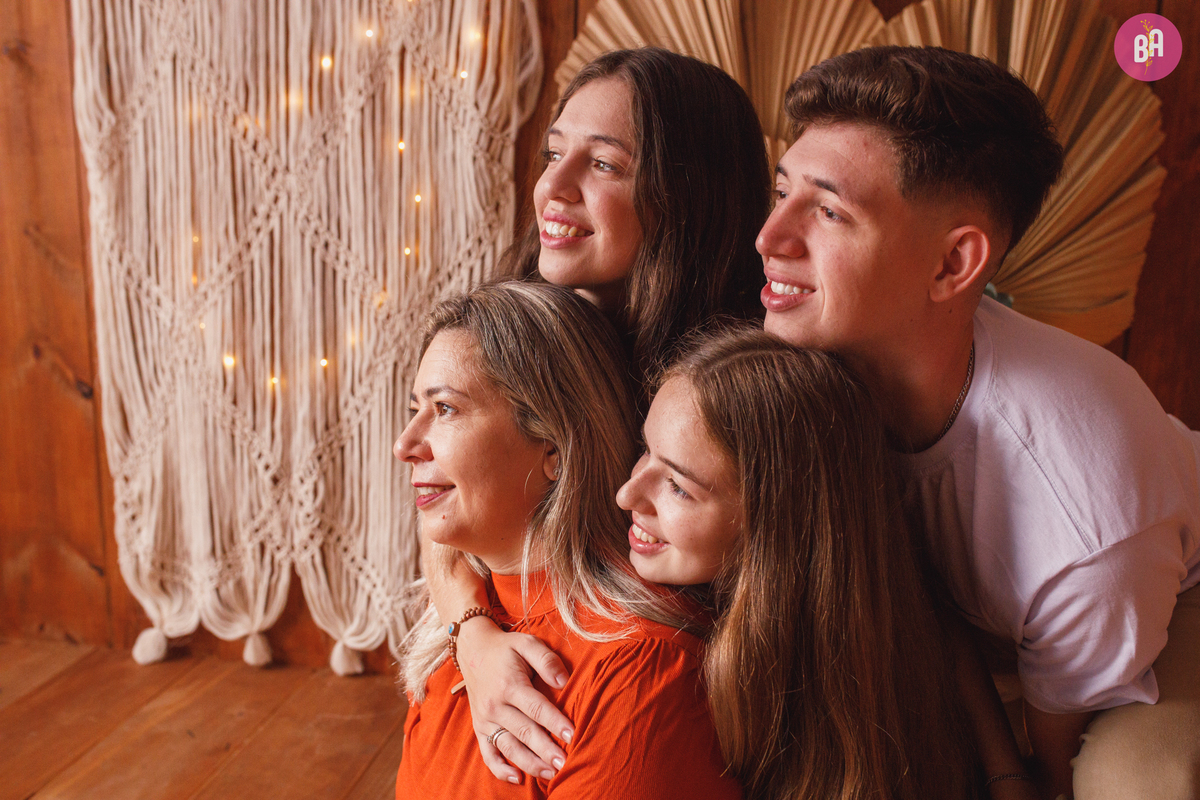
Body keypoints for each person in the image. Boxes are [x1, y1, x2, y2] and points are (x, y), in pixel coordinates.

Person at [758, 46, 1200, 799]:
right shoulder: (814, 345)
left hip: (1173, 583)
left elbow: (1047, 767)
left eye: (829, 211)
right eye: (782, 192)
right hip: (1002, 618)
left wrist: (1014, 773)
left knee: (1127, 780)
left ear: (953, 265)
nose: (771, 238)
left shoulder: (1075, 514)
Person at [423, 46, 771, 783]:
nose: (555, 185)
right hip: (552, 655)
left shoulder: (732, 385)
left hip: (683, 703)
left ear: (686, 195)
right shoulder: (530, 318)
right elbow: (444, 504)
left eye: (605, 165)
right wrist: (474, 633)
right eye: (554, 153)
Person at [394, 281, 740, 799]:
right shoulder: (460, 625)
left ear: (554, 448)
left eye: (445, 409)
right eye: (414, 408)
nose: (405, 446)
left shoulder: (642, 674)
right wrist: (467, 627)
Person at [616, 325, 979, 799]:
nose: (626, 495)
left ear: (776, 525)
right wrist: (480, 631)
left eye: (679, 487)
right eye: (645, 450)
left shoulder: (843, 713)